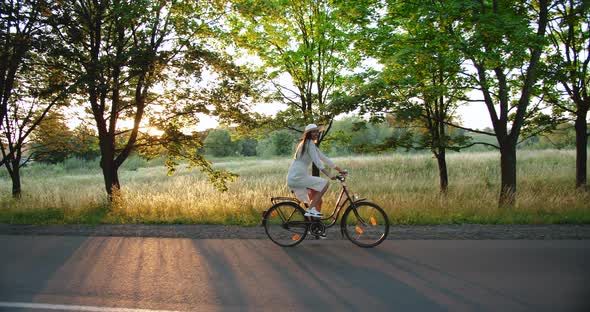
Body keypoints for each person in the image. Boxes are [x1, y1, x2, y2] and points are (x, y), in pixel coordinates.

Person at [287, 123, 347, 218]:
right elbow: (317, 161)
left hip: (296, 176)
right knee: (325, 183)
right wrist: (329, 175)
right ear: (308, 133)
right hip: (298, 176)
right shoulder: (309, 143)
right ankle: (310, 210)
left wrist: (340, 170)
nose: (316, 134)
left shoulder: (308, 144)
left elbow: (324, 158)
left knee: (318, 200)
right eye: (313, 132)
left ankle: (315, 226)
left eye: (317, 132)